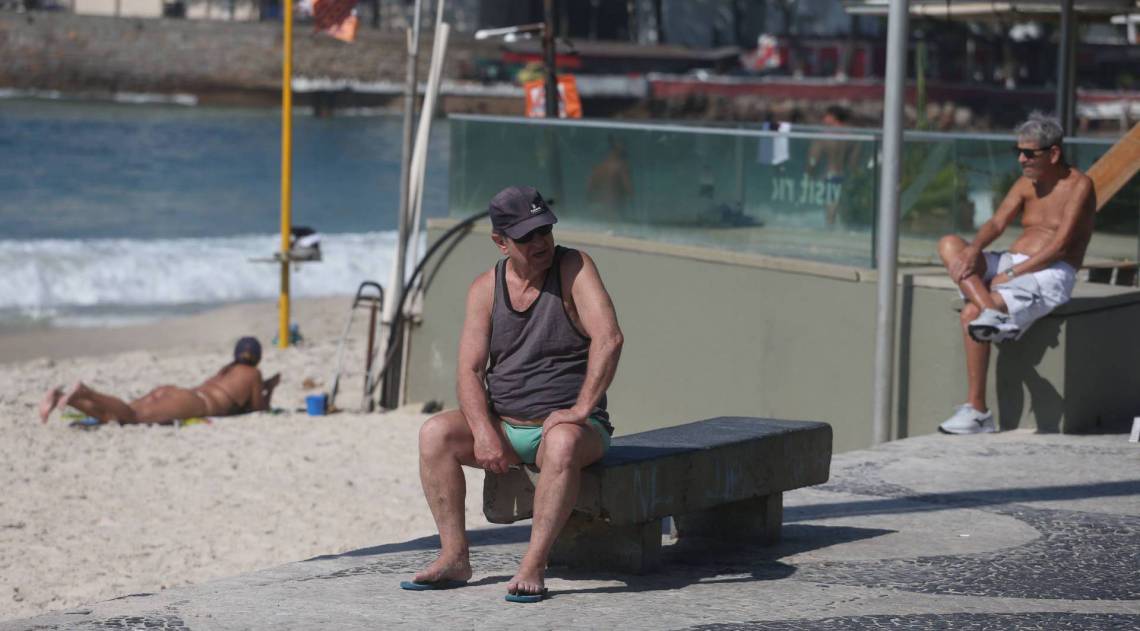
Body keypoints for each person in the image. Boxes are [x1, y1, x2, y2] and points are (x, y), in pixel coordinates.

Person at [402, 185, 623, 602]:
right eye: (526, 237)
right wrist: (484, 430)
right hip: (506, 424)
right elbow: (469, 370)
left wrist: (581, 409)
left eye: (544, 231)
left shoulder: (574, 267)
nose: (540, 243)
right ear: (501, 242)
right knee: (435, 433)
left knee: (562, 442)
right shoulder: (485, 288)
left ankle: (533, 565)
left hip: (572, 428)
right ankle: (454, 556)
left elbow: (609, 339)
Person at [937, 113, 1095, 435]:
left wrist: (1011, 273)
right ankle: (992, 311)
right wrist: (974, 249)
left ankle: (977, 412)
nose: (1021, 159)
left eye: (1028, 153)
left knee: (971, 314)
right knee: (950, 244)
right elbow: (997, 223)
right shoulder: (1026, 184)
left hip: (1050, 272)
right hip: (1013, 263)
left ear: (1053, 153)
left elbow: (1061, 246)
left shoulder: (1080, 185)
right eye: (1018, 152)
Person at [38, 337, 280, 425]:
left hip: (179, 393)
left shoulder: (228, 369)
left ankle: (64, 399)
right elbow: (258, 409)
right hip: (194, 403)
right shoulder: (253, 374)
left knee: (121, 415)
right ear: (257, 358)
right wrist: (269, 388)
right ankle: (85, 392)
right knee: (132, 417)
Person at [806, 105, 862, 226]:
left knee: (830, 206)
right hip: (845, 176)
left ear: (833, 117)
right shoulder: (853, 135)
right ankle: (843, 229)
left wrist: (809, 173)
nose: (823, 119)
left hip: (830, 175)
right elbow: (854, 162)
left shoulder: (825, 136)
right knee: (842, 207)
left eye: (826, 116)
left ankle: (829, 229)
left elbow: (813, 158)